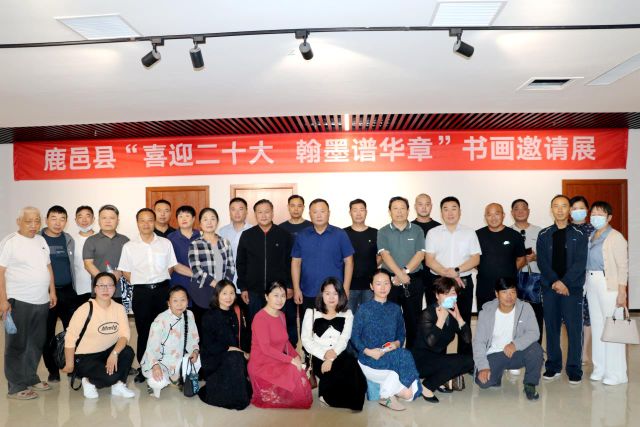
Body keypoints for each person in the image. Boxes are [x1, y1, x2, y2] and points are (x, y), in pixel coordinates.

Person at [0, 207, 57, 400]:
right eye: (28, 221)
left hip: (41, 300)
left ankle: (30, 377)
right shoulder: (10, 242)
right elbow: (0, 273)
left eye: (37, 221)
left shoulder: (41, 240)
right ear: (19, 221)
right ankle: (16, 386)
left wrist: (52, 290)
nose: (33, 225)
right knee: (16, 344)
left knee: (36, 342)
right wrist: (2, 300)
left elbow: (48, 266)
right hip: (18, 301)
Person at [118, 208, 178, 383]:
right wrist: (142, 282)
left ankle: (164, 366)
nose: (146, 224)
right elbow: (125, 271)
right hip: (141, 293)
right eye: (142, 220)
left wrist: (158, 282)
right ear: (137, 223)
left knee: (165, 330)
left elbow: (171, 267)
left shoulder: (165, 243)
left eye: (150, 220)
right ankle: (144, 368)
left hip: (162, 291)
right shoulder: (129, 246)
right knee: (144, 331)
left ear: (154, 222)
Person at [350, 269, 421, 411]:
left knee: (408, 394)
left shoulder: (395, 309)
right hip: (369, 359)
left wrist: (396, 343)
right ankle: (400, 392)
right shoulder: (363, 309)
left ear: (391, 285)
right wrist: (368, 352)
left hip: (389, 356)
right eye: (378, 284)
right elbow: (354, 337)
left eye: (386, 283)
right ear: (371, 286)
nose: (383, 287)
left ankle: (386, 393)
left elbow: (401, 334)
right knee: (404, 355)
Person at [537, 194, 588, 384]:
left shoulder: (580, 234)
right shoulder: (544, 234)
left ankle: (574, 368)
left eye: (564, 206)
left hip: (572, 288)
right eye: (556, 206)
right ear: (551, 209)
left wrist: (565, 282)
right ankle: (553, 366)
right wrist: (555, 282)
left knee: (574, 329)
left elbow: (580, 262)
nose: (560, 209)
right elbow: (542, 262)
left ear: (569, 210)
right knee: (551, 328)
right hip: (550, 288)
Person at [61, 272, 135, 399]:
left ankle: (119, 385)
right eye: (101, 285)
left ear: (115, 288)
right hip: (85, 357)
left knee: (127, 352)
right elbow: (70, 337)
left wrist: (114, 353)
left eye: (110, 285)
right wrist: (70, 364)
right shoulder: (85, 309)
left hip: (107, 352)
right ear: (95, 289)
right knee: (110, 377)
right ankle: (88, 381)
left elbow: (124, 335)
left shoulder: (119, 308)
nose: (106, 289)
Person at [425, 196, 481, 355]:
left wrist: (456, 271)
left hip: (462, 282)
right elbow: (429, 260)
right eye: (446, 209)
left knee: (463, 320)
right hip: (439, 283)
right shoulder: (433, 233)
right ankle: (438, 358)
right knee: (439, 320)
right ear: (441, 212)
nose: (450, 213)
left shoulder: (469, 232)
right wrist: (448, 274)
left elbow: (475, 258)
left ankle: (464, 359)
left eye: (454, 208)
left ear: (460, 211)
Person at [301, 278, 366, 410]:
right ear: (321, 294)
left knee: (353, 367)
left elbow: (344, 339)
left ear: (340, 295)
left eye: (335, 293)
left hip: (338, 352)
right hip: (318, 355)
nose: (331, 297)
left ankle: (351, 399)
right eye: (327, 293)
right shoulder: (311, 312)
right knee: (335, 374)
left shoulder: (347, 314)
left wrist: (331, 357)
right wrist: (324, 355)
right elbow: (306, 340)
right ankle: (326, 396)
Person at [473, 277, 544, 400]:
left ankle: (530, 384)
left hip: (516, 352)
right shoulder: (486, 312)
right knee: (483, 383)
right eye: (505, 292)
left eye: (512, 292)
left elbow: (534, 333)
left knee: (536, 349)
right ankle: (497, 374)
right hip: (495, 354)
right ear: (497, 294)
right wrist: (483, 366)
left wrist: (515, 344)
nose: (509, 296)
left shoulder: (525, 308)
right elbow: (479, 342)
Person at [248, 281, 312, 409]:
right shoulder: (260, 318)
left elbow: (285, 342)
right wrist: (291, 360)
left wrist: (296, 356)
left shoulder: (282, 315)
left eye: (283, 295)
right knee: (294, 373)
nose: (280, 299)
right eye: (276, 295)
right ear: (266, 296)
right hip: (262, 365)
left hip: (276, 360)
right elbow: (266, 349)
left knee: (298, 373)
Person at [585, 201, 629, 385]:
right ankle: (600, 368)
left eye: (600, 214)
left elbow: (623, 266)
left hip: (609, 285)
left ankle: (616, 373)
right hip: (592, 282)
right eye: (593, 213)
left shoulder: (616, 237)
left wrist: (622, 291)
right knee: (597, 326)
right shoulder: (592, 235)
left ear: (609, 217)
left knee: (612, 327)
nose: (595, 216)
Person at [411, 277, 473, 403]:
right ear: (437, 295)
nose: (450, 297)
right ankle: (427, 386)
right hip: (420, 361)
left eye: (453, 293)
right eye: (446, 293)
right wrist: (440, 320)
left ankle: (437, 380)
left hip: (437, 359)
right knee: (453, 362)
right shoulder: (428, 313)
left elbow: (467, 339)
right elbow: (430, 343)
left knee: (470, 360)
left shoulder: (453, 314)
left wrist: (459, 318)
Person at [377, 196, 426, 349]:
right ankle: (391, 354)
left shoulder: (417, 230)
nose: (399, 212)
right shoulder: (383, 231)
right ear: (389, 211)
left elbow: (420, 254)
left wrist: (404, 272)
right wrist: (400, 275)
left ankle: (412, 355)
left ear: (408, 210)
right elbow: (385, 255)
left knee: (414, 321)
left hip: (413, 280)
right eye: (395, 208)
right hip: (390, 282)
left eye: (402, 208)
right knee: (390, 321)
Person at [236, 200, 292, 327]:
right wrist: (243, 287)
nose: (263, 215)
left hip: (277, 291)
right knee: (255, 325)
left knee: (278, 325)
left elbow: (289, 262)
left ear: (272, 213)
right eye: (260, 212)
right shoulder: (247, 235)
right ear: (255, 214)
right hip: (254, 291)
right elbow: (241, 263)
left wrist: (289, 285)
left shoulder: (284, 235)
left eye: (267, 212)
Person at [292, 199, 354, 312]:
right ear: (310, 214)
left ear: (329, 213)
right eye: (315, 212)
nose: (319, 215)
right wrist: (296, 288)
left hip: (334, 293)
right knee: (310, 322)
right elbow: (296, 262)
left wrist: (345, 289)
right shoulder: (302, 235)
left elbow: (349, 262)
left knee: (334, 322)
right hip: (308, 291)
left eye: (322, 211)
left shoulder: (340, 234)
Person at [199, 279, 252, 410]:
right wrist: (235, 350)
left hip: (235, 356)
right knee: (235, 357)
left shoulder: (237, 312)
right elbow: (209, 345)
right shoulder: (209, 316)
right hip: (214, 358)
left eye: (232, 293)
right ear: (217, 295)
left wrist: (247, 351)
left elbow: (245, 337)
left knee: (238, 358)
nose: (229, 297)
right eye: (224, 293)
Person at [40, 205, 78, 382]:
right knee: (47, 334)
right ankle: (53, 370)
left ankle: (70, 365)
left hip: (68, 292)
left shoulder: (68, 239)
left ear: (66, 221)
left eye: (62, 219)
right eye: (53, 218)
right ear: (46, 220)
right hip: (46, 293)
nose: (58, 223)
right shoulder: (38, 239)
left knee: (72, 331)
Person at [140, 286, 199, 398]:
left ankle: (175, 378)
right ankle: (155, 381)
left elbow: (193, 337)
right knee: (159, 382)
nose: (179, 304)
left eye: (183, 300)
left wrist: (195, 351)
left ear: (187, 302)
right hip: (160, 361)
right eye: (175, 300)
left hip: (178, 358)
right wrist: (155, 366)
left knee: (199, 359)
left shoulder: (189, 315)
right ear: (169, 303)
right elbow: (151, 347)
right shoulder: (160, 320)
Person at [188, 208, 235, 329]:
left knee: (222, 327)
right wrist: (216, 284)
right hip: (202, 291)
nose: (209, 222)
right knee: (203, 328)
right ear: (200, 224)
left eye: (212, 219)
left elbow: (230, 266)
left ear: (217, 222)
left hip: (223, 292)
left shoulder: (225, 242)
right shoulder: (195, 244)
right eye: (205, 219)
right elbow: (196, 269)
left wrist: (224, 286)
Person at [475, 203, 526, 310]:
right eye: (489, 214)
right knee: (485, 316)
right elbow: (472, 259)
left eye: (497, 214)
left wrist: (509, 271)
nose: (493, 218)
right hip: (484, 286)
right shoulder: (477, 235)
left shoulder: (514, 235)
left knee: (508, 316)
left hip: (507, 287)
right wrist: (484, 269)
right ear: (485, 217)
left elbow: (522, 259)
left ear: (503, 215)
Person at [510, 199, 544, 345]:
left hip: (534, 282)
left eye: (523, 208)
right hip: (513, 280)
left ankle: (536, 349)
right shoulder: (507, 232)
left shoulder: (540, 231)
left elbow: (548, 257)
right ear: (512, 213)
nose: (520, 211)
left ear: (528, 211)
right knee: (514, 316)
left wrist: (536, 257)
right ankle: (515, 348)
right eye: (516, 208)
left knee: (536, 315)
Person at [83, 204, 129, 303]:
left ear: (118, 221)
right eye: (104, 218)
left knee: (120, 313)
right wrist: (105, 281)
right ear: (99, 221)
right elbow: (88, 264)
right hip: (99, 290)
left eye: (112, 218)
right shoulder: (91, 240)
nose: (108, 221)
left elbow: (129, 263)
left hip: (121, 291)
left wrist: (120, 272)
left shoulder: (125, 240)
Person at [570, 195, 594, 365]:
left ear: (587, 210)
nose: (578, 211)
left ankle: (584, 351)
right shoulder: (566, 229)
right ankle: (574, 350)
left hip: (590, 277)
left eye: (581, 208)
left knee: (587, 315)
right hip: (570, 278)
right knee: (571, 315)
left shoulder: (594, 229)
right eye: (574, 208)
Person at [343, 199, 379, 314]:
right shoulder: (343, 233)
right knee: (348, 319)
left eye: (362, 210)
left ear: (366, 212)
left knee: (369, 318)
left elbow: (381, 256)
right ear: (350, 213)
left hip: (370, 286)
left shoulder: (375, 233)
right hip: (349, 286)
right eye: (355, 210)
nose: (358, 213)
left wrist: (371, 265)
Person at [412, 193, 441, 307]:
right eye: (420, 204)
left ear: (431, 206)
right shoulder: (409, 227)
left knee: (435, 308)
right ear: (415, 206)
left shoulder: (439, 228)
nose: (424, 207)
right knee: (414, 310)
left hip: (435, 275)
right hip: (414, 275)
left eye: (427, 204)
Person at [218, 197, 252, 285]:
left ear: (246, 211)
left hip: (248, 280)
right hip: (227, 280)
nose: (237, 213)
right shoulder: (222, 232)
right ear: (229, 212)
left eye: (240, 209)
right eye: (233, 209)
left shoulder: (254, 231)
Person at [167, 205, 199, 289]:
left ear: (193, 219)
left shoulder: (201, 236)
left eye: (187, 216)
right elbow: (173, 263)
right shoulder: (170, 238)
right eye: (180, 216)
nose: (184, 219)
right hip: (178, 283)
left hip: (199, 284)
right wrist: (198, 275)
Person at [73, 206, 96, 306]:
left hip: (98, 289)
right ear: (75, 220)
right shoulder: (71, 241)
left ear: (93, 219)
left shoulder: (100, 238)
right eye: (80, 216)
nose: (84, 220)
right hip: (78, 289)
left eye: (88, 216)